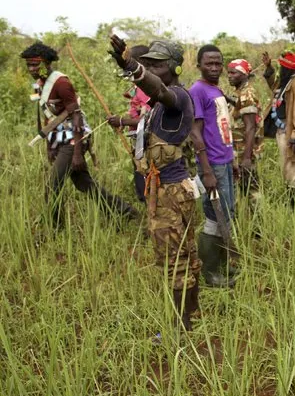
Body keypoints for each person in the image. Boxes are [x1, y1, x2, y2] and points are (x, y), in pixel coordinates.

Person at [108, 36, 201, 331]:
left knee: (174, 261)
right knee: (185, 254)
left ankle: (179, 326)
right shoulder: (157, 105)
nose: (151, 69)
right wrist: (122, 119)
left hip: (171, 193)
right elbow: (145, 120)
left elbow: (158, 89)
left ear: (174, 67)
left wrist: (132, 66)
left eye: (157, 64)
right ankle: (192, 312)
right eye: (148, 63)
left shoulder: (176, 97)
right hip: (165, 190)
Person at [21, 42, 138, 229]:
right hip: (59, 138)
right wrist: (50, 146)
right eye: (29, 65)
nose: (32, 69)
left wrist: (77, 152)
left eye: (36, 64)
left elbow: (76, 116)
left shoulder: (61, 83)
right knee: (84, 183)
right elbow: (48, 118)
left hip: (74, 138)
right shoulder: (39, 84)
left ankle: (55, 229)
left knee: (53, 186)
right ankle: (124, 211)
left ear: (47, 63)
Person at [189, 45, 236, 288]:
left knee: (226, 213)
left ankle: (219, 263)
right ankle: (209, 272)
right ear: (199, 65)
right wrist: (206, 171)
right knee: (215, 215)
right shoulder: (197, 91)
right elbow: (195, 133)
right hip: (213, 164)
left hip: (225, 160)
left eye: (218, 63)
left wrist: (232, 159)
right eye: (209, 63)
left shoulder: (215, 88)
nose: (215, 68)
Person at [262, 50, 295, 208]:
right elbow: (273, 86)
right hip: (281, 131)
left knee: (294, 172)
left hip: (290, 134)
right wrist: (268, 67)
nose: (280, 70)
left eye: (282, 67)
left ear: (288, 69)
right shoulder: (285, 82)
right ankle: (291, 206)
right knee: (286, 169)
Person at [107, 45, 151, 202]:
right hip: (139, 141)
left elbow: (147, 119)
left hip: (147, 142)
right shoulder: (138, 86)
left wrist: (122, 121)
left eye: (128, 62)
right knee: (142, 185)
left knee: (147, 186)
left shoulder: (147, 88)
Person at [227, 58, 263, 205]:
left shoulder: (247, 94)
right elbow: (240, 108)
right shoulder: (241, 92)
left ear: (244, 75)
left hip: (244, 151)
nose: (229, 76)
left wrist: (247, 158)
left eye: (233, 73)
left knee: (251, 190)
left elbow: (250, 127)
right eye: (228, 72)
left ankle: (257, 224)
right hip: (239, 149)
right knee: (244, 186)